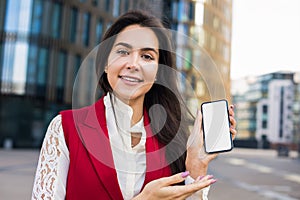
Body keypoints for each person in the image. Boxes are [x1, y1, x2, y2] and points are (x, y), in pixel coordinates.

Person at [32, 10, 236, 200]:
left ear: (157, 73)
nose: (133, 64)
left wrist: (195, 166)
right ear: (105, 62)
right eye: (123, 52)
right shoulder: (65, 128)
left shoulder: (171, 142)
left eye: (147, 56)